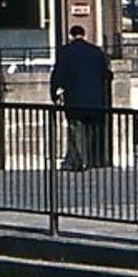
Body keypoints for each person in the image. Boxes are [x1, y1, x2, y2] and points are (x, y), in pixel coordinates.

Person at [49, 24, 113, 170]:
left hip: (74, 99)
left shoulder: (66, 52)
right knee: (90, 130)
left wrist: (55, 93)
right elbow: (106, 74)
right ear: (84, 35)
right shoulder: (96, 52)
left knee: (75, 128)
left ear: (71, 35)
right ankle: (89, 159)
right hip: (95, 99)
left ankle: (79, 160)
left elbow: (58, 74)